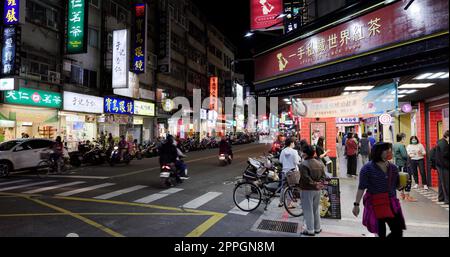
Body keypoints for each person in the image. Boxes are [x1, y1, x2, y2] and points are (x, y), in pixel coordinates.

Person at [352, 142, 406, 238]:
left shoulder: (393, 168)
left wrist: (402, 185)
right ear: (378, 152)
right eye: (386, 150)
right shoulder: (367, 168)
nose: (389, 152)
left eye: (389, 149)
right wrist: (356, 205)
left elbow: (397, 186)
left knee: (398, 230)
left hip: (391, 203)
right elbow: (361, 187)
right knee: (380, 232)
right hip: (376, 204)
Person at [298, 144, 326, 236]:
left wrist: (314, 184)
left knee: (308, 210)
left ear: (305, 153)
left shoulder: (303, 164)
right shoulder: (320, 163)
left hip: (307, 190)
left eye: (302, 151)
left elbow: (306, 179)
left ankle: (310, 230)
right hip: (317, 190)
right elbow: (323, 177)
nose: (301, 153)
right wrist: (318, 184)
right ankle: (317, 228)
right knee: (315, 209)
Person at [278, 137, 301, 207]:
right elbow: (296, 162)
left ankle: (281, 202)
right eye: (293, 142)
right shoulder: (294, 151)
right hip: (292, 172)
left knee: (283, 187)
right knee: (290, 187)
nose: (294, 144)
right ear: (291, 143)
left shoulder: (283, 151)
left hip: (284, 171)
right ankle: (289, 203)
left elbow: (280, 161)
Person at [394, 133, 416, 202]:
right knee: (408, 179)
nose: (405, 139)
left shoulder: (395, 145)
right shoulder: (401, 145)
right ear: (402, 138)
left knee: (401, 179)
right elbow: (404, 155)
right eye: (404, 137)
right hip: (404, 164)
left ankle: (402, 194)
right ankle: (407, 196)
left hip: (398, 164)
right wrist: (410, 155)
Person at [436, 130, 449, 204]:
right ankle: (447, 200)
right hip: (444, 166)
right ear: (447, 136)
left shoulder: (440, 142)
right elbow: (446, 155)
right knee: (446, 183)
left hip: (440, 165)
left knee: (441, 183)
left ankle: (441, 198)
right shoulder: (444, 144)